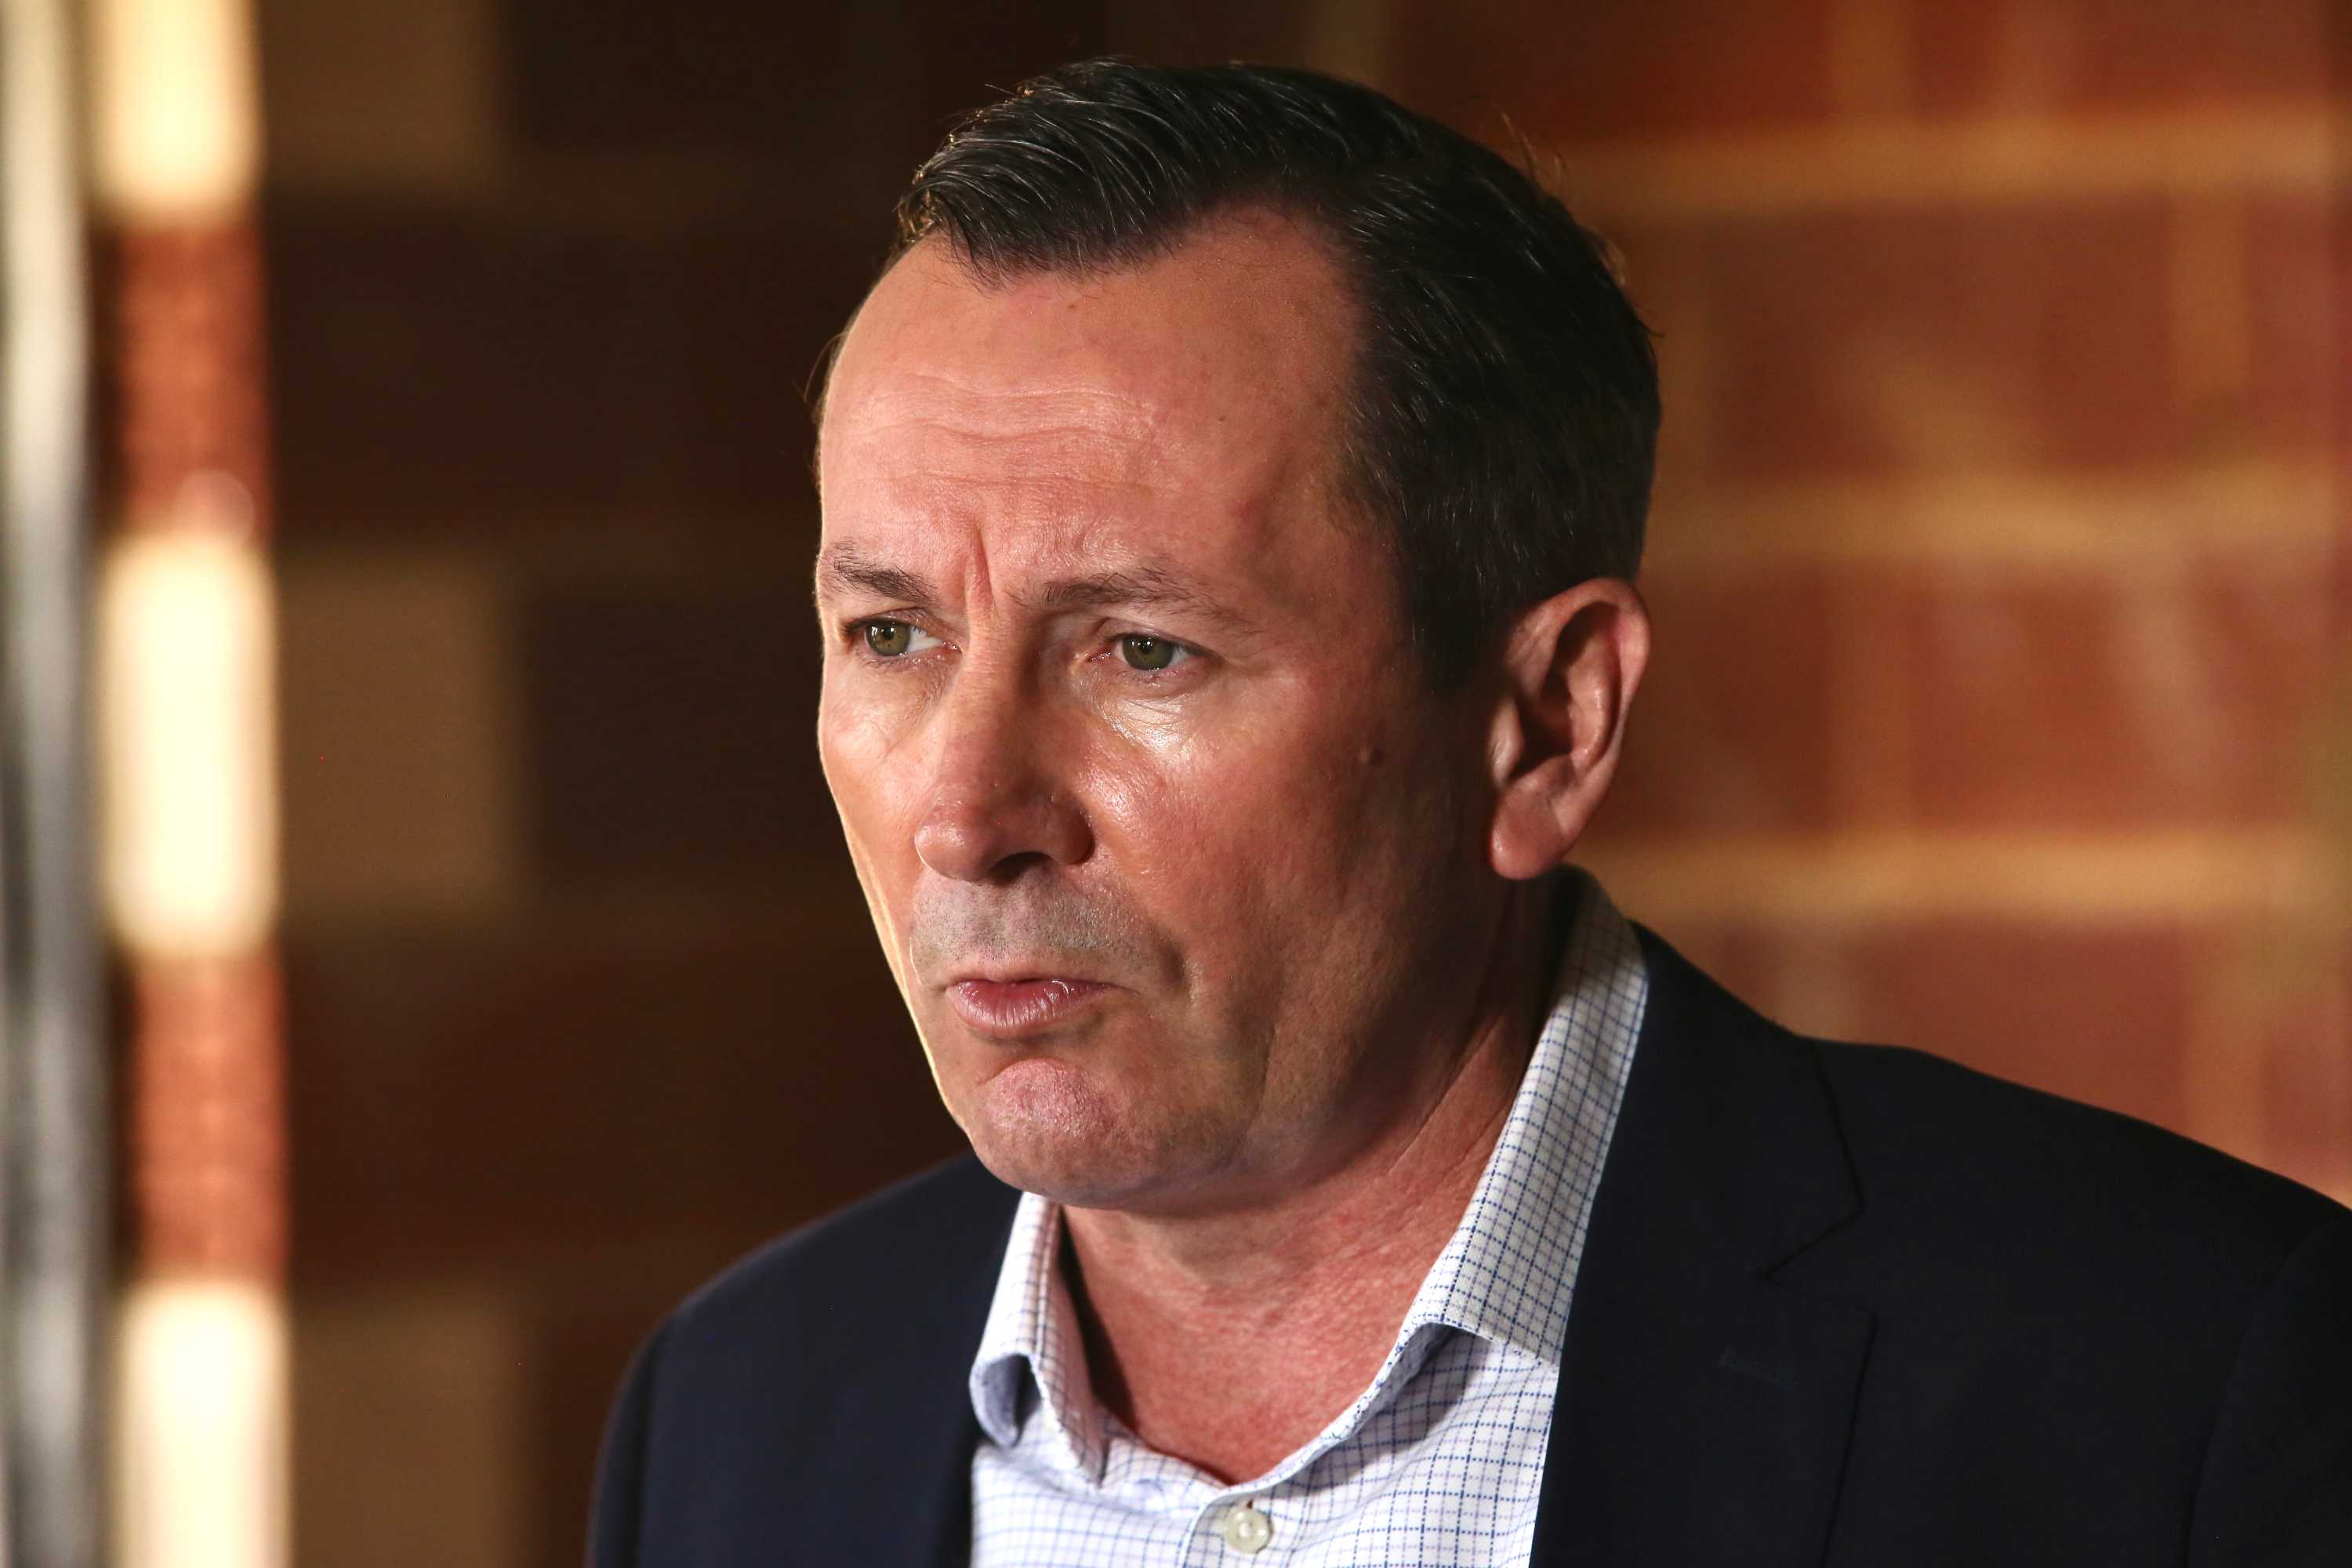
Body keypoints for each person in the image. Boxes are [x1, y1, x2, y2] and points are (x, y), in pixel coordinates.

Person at [588, 59, 2350, 1567]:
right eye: (891, 633)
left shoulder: (2171, 1394)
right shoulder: (733, 1420)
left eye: (1143, 649)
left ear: (1547, 721)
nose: (968, 812)